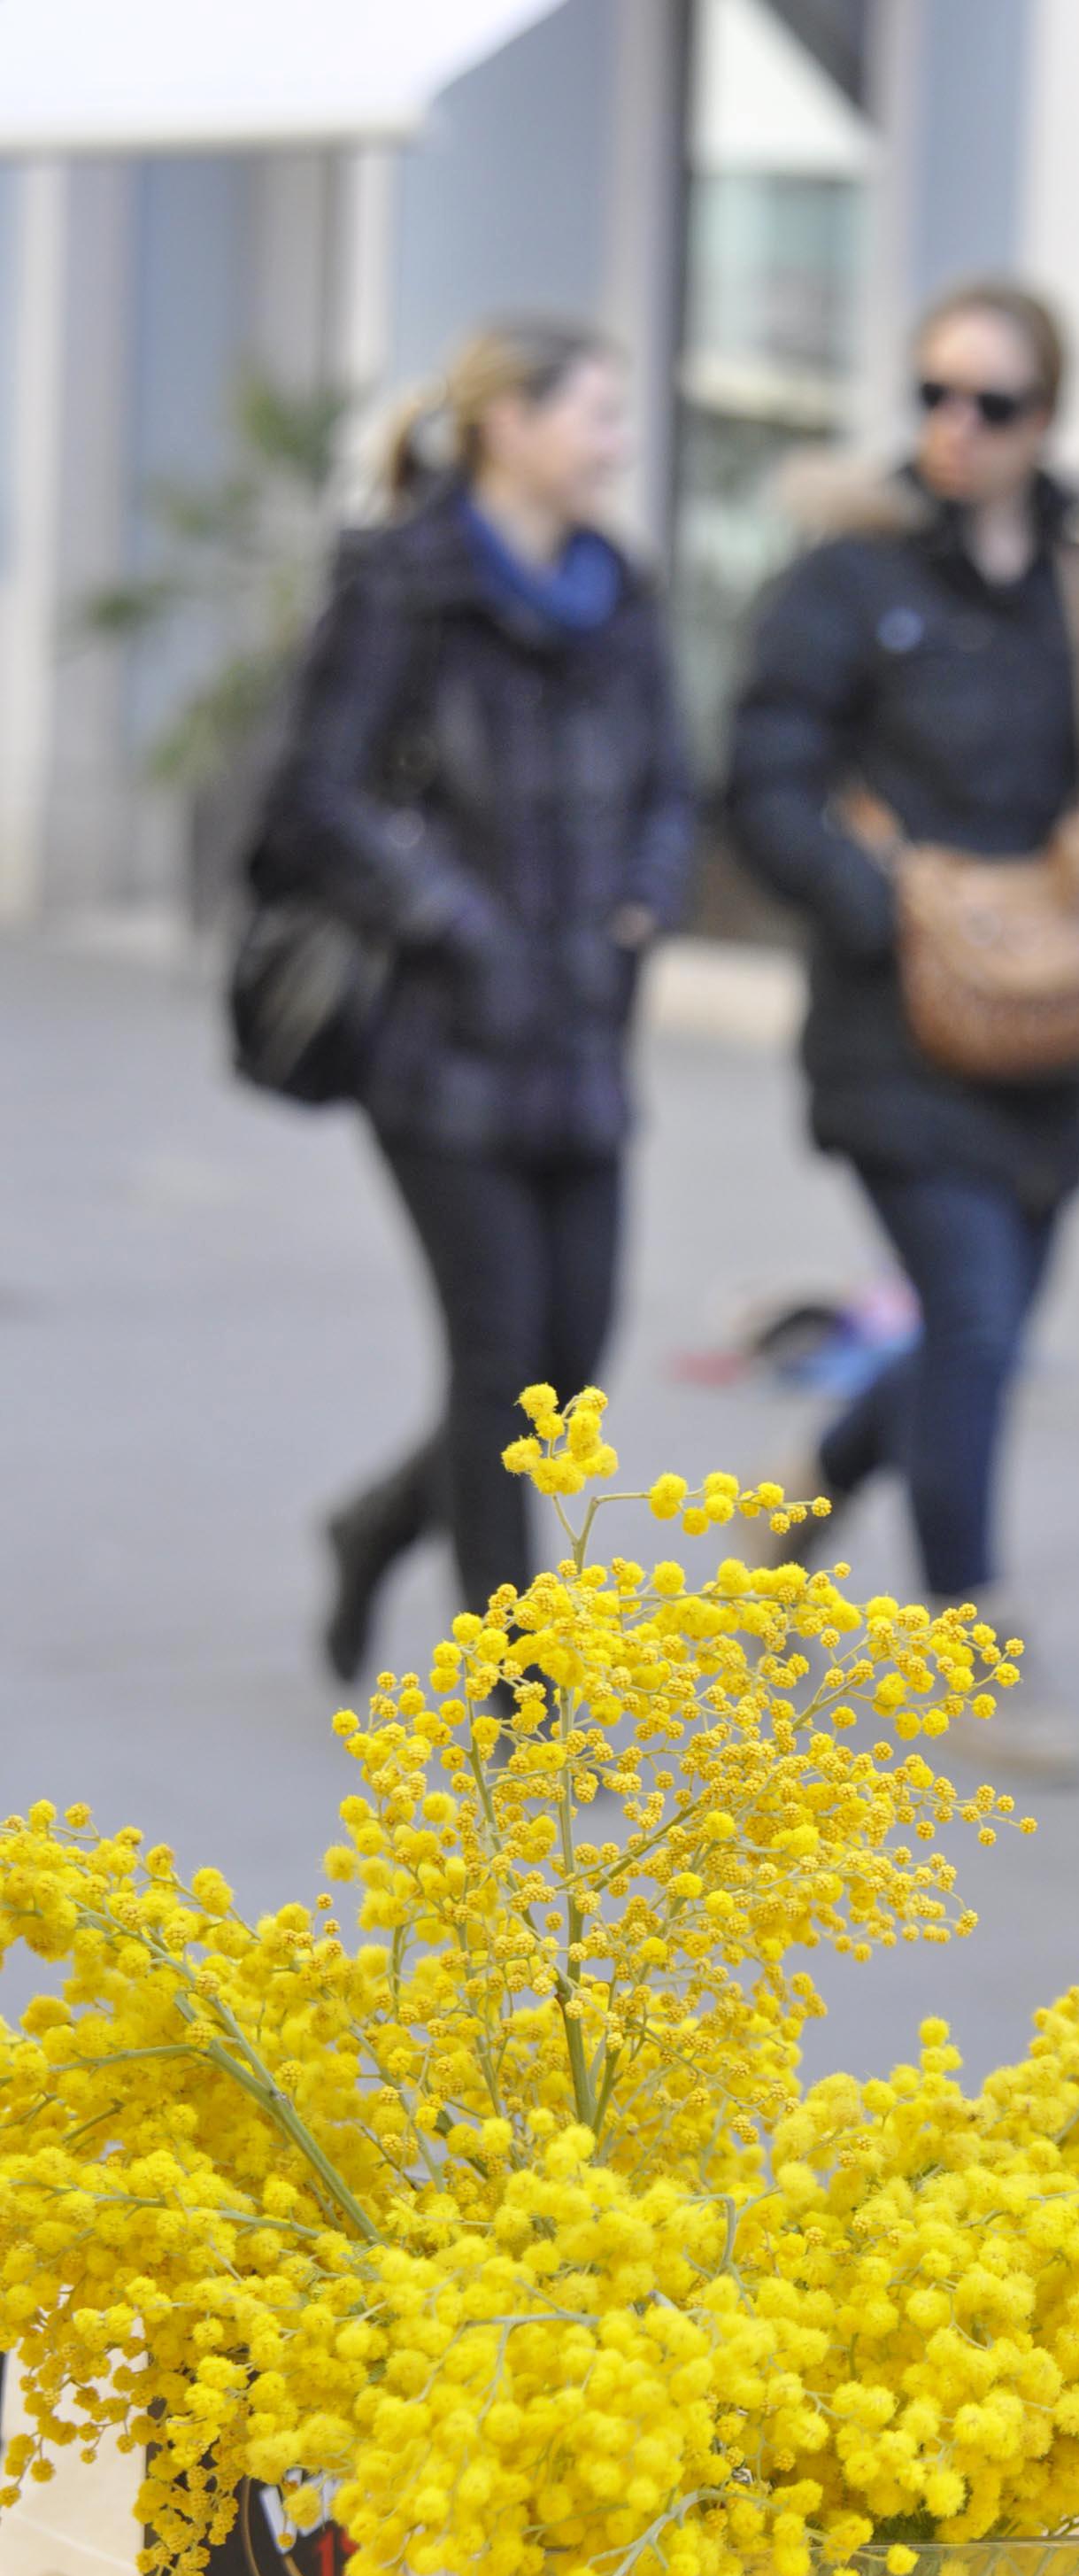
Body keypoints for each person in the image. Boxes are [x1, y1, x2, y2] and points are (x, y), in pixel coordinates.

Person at [726, 279, 1079, 1778]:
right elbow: (763, 778)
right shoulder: (846, 579)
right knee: (968, 1316)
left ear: (1048, 419)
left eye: (991, 402)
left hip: (1043, 1020)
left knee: (988, 1331)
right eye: (932, 394)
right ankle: (971, 1633)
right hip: (895, 1026)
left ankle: (803, 1502)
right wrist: (878, 910)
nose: (952, 428)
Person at [256, 317, 696, 1674]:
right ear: (507, 424)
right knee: (500, 1367)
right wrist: (454, 920)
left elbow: (676, 780)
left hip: (582, 1032)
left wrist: (647, 894)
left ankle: (376, 1530)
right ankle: (521, 1696)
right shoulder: (407, 585)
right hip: (439, 1045)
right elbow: (309, 801)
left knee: (564, 1384)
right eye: (596, 416)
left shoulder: (617, 590)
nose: (616, 445)